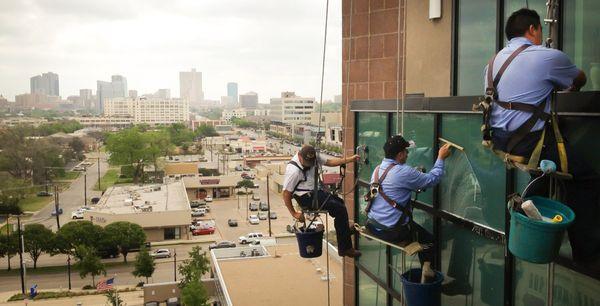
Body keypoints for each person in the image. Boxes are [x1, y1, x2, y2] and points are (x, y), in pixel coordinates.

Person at [485, 8, 600, 269]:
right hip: (532, 144)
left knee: (550, 174)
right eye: (540, 32)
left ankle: (533, 209)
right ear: (534, 30)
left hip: (503, 143)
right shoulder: (547, 57)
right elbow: (579, 78)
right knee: (586, 179)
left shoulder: (492, 63)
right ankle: (588, 252)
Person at [366, 135, 451, 282]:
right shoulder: (404, 172)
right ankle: (427, 268)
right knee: (429, 239)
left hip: (374, 226)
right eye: (405, 151)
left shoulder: (377, 170)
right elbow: (432, 179)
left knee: (417, 230)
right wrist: (441, 158)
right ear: (399, 155)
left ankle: (426, 268)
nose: (407, 154)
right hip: (392, 232)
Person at [282, 145, 361, 258]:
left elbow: (330, 162)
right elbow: (286, 194)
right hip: (305, 197)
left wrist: (349, 159)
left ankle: (344, 232)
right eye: (307, 162)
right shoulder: (293, 171)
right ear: (299, 156)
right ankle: (345, 249)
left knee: (340, 203)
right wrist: (294, 213)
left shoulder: (315, 157)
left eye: (311, 162)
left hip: (314, 192)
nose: (309, 164)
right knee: (340, 209)